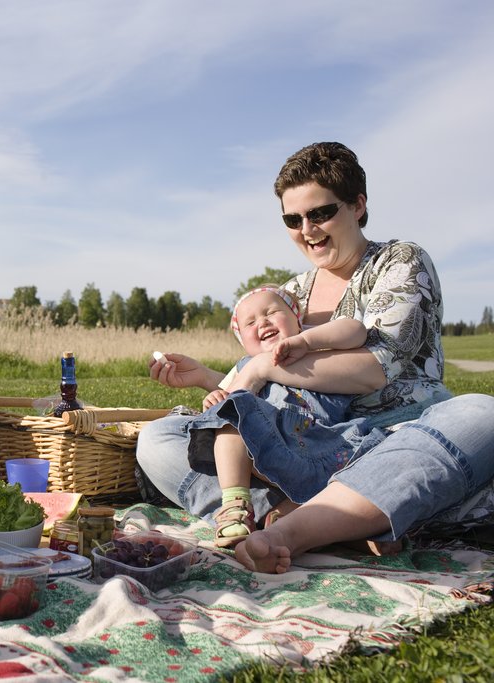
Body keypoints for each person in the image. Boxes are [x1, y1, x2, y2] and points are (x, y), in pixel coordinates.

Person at [136, 141, 494, 573]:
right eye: (292, 219)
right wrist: (208, 379)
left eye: (320, 213)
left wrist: (264, 365)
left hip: (394, 433)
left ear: (358, 205)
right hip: (302, 440)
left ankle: (294, 526)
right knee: (160, 438)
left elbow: (372, 371)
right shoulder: (291, 293)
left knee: (480, 415)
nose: (307, 229)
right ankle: (333, 517)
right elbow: (254, 390)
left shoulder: (399, 262)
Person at [186, 285, 370, 547]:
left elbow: (356, 330)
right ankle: (236, 507)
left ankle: (304, 527)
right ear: (243, 342)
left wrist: (306, 340)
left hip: (323, 447)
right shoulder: (244, 367)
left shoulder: (318, 349)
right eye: (250, 322)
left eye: (271, 312)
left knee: (359, 468)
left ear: (297, 319)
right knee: (231, 415)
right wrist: (214, 398)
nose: (262, 322)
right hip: (270, 446)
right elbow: (223, 399)